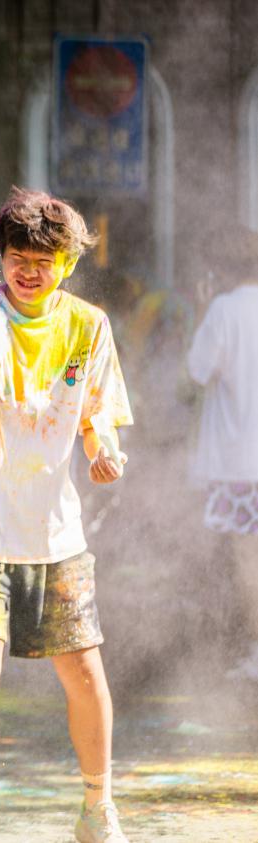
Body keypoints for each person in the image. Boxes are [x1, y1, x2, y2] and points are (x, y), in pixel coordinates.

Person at [0, 188, 133, 843]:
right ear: (1, 257)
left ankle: (97, 808)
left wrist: (103, 449)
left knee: (84, 671)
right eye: (17, 258)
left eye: (43, 261)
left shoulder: (88, 325)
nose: (28, 270)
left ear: (66, 264)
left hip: (56, 534)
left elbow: (97, 413)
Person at [187, 228, 258, 682]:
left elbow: (196, 370)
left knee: (248, 565)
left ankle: (254, 654)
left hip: (239, 465)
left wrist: (202, 309)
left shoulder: (224, 309)